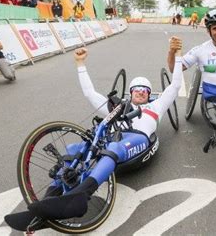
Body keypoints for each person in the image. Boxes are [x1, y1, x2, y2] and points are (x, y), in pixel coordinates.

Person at [19, 40, 183, 221]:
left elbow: (175, 86)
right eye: (136, 89)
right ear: (130, 92)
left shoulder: (156, 106)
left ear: (149, 94)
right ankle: (47, 201)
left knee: (115, 148)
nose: (141, 92)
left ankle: (81, 195)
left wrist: (177, 55)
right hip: (111, 142)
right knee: (73, 149)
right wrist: (80, 64)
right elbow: (90, 93)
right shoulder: (116, 108)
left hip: (138, 141)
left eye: (145, 90)